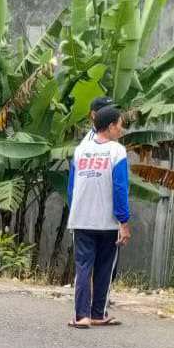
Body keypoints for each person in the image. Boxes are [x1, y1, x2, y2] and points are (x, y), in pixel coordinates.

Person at [67, 105, 130, 328]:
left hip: (81, 219)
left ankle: (81, 316)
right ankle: (97, 313)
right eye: (120, 125)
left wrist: (74, 212)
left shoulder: (80, 150)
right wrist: (124, 221)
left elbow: (71, 188)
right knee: (104, 267)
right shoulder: (117, 151)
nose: (121, 130)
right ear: (111, 126)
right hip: (108, 222)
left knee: (84, 266)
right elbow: (120, 187)